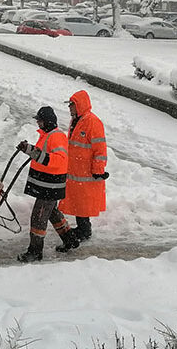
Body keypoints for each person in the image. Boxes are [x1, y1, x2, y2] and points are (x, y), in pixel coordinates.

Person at [15, 106, 79, 263]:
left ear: (48, 121)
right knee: (51, 213)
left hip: (50, 186)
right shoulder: (48, 135)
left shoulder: (56, 137)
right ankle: (70, 240)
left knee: (38, 217)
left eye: (40, 120)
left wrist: (33, 153)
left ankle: (35, 251)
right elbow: (42, 152)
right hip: (47, 185)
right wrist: (29, 148)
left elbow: (59, 160)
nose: (38, 123)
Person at [58, 90, 108, 243]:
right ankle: (82, 228)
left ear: (79, 105)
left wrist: (98, 170)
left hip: (86, 173)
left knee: (83, 204)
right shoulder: (76, 120)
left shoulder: (92, 122)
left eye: (72, 105)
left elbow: (100, 149)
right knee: (79, 203)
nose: (70, 108)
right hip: (76, 171)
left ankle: (84, 230)